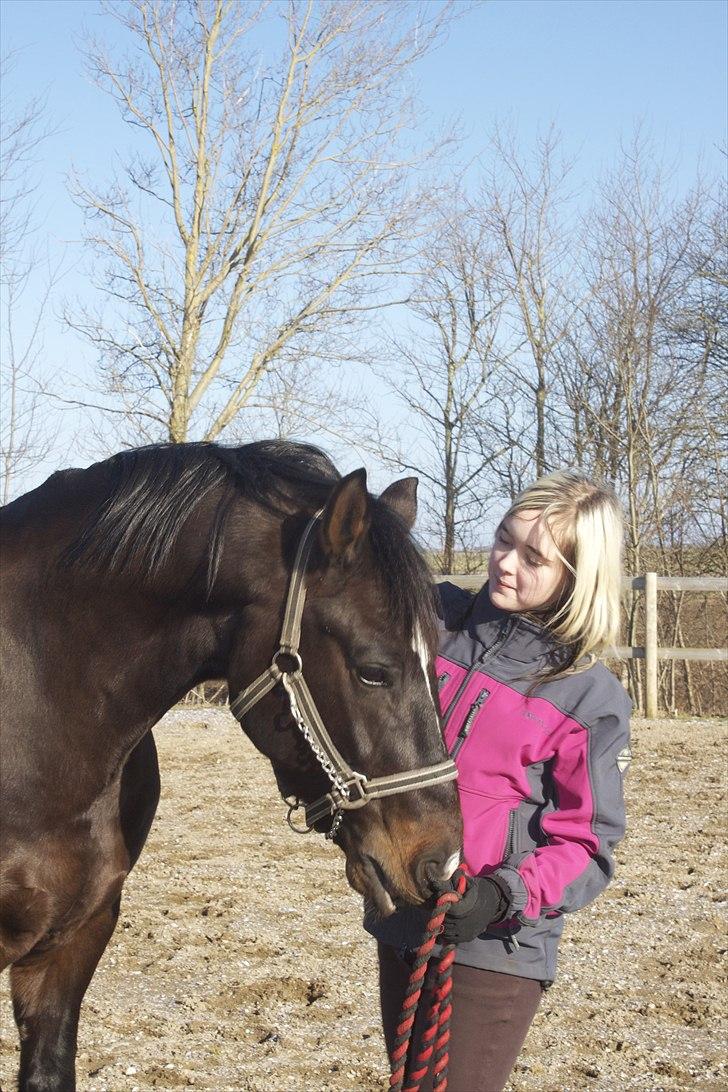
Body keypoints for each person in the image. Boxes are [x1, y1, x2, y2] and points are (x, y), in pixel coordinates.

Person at [365, 469, 632, 1092]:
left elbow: (587, 846)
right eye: (503, 539)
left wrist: (501, 896)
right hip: (404, 911)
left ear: (576, 575)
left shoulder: (587, 697)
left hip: (494, 947)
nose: (505, 563)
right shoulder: (433, 622)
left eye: (533, 557)